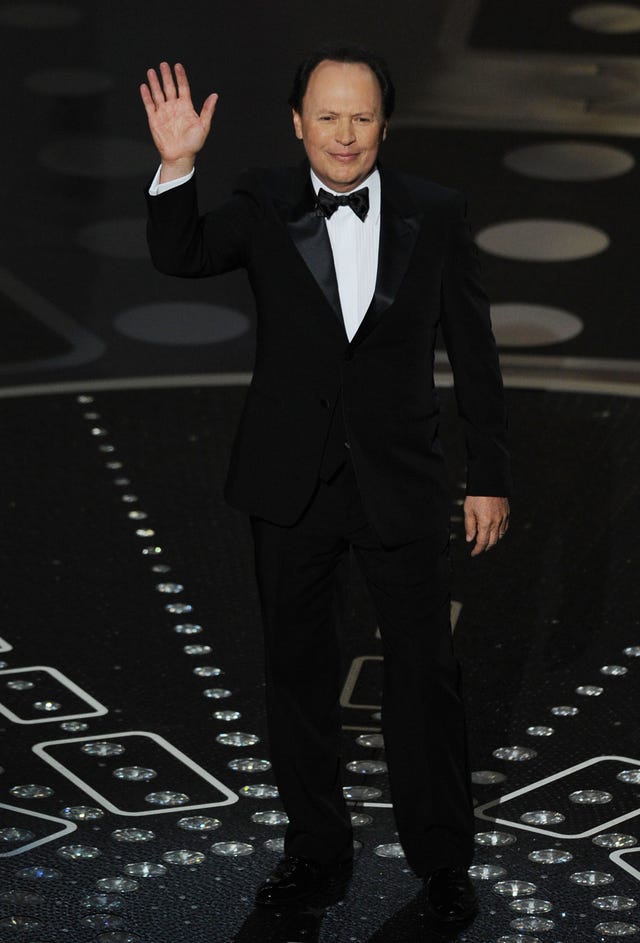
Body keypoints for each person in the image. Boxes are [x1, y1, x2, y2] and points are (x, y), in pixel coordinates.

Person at [140, 45, 511, 928]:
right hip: (289, 482)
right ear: (297, 122)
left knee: (425, 675)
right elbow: (182, 254)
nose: (346, 135)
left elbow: (475, 351)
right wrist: (177, 165)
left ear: (387, 123)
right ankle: (314, 851)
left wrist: (489, 475)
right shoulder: (264, 200)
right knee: (296, 673)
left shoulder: (436, 212)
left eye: (363, 117)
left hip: (401, 480)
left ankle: (442, 859)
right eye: (329, 116)